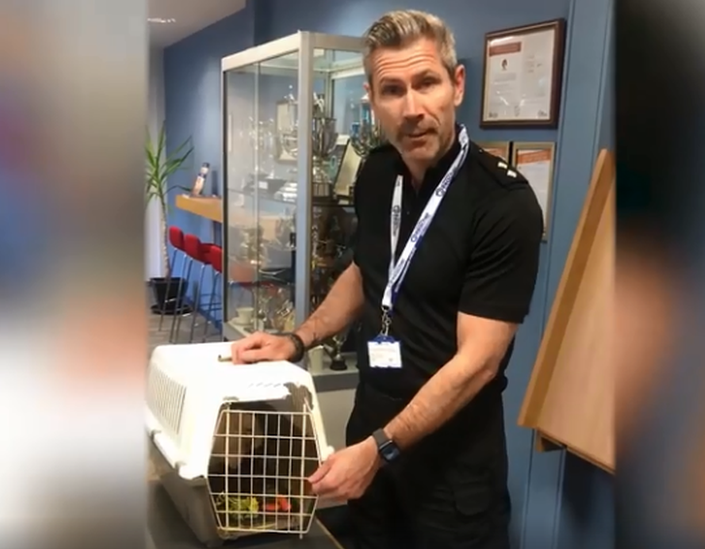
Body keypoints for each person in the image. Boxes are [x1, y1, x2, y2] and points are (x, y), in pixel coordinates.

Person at [230, 9, 542, 549]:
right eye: (393, 90)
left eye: (427, 83)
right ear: (372, 100)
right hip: (370, 429)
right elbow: (364, 272)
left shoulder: (502, 204)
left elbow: (478, 364)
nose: (413, 109)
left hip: (451, 471)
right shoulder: (377, 173)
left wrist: (381, 448)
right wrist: (298, 339)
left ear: (457, 85)